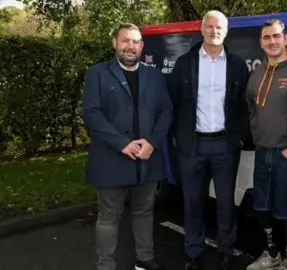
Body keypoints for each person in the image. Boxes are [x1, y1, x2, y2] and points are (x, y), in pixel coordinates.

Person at [82, 23, 173, 270]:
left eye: (135, 42)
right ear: (115, 43)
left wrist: (152, 142)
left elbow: (166, 111)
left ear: (142, 46)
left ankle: (144, 259)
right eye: (125, 41)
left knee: (144, 212)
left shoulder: (154, 76)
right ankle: (105, 265)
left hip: (146, 157)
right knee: (109, 217)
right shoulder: (97, 74)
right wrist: (122, 144)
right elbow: (91, 113)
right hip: (111, 158)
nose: (130, 46)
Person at [167, 10, 250, 270]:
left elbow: (243, 107)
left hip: (225, 146)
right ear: (202, 29)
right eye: (210, 26)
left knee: (226, 203)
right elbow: (174, 103)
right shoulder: (185, 63)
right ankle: (194, 251)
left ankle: (226, 249)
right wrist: (178, 138)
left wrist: (237, 140)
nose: (214, 31)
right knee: (193, 202)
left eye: (220, 28)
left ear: (226, 32)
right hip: (192, 146)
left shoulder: (237, 65)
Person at [245, 19, 287, 270]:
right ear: (261, 43)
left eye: (276, 36)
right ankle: (270, 253)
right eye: (266, 38)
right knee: (261, 206)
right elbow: (252, 106)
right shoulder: (258, 73)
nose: (272, 41)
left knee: (285, 210)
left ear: (286, 39)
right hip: (263, 151)